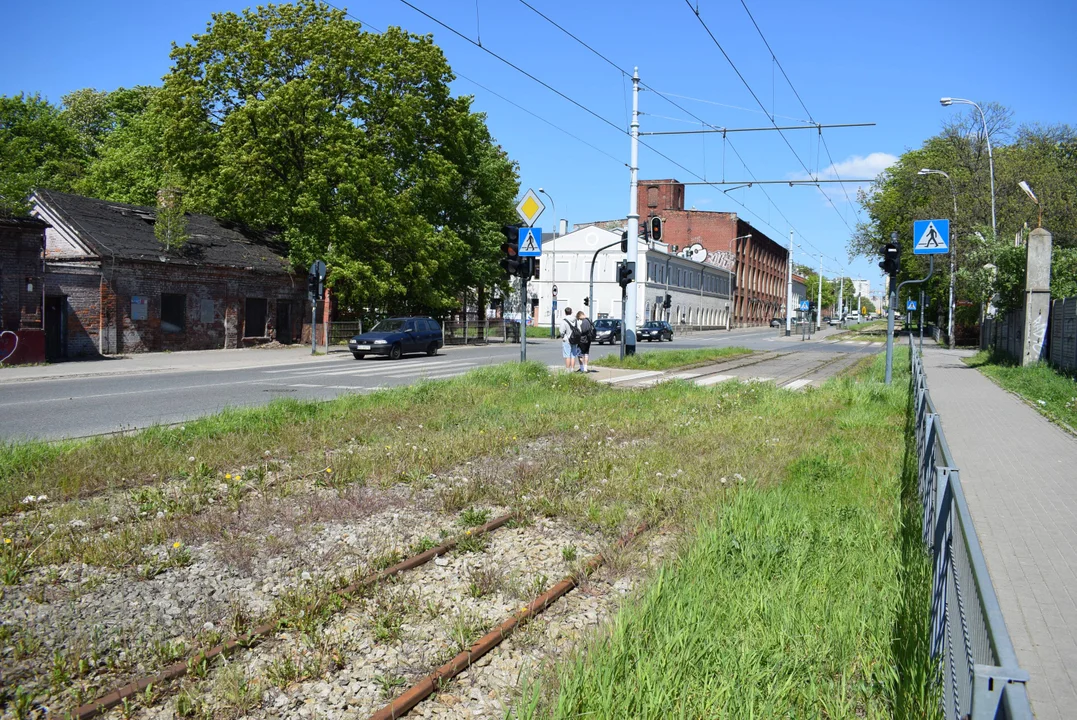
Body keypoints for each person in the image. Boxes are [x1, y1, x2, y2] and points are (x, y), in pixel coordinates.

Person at [560, 306, 578, 371]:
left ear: (565, 313)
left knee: (567, 355)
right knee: (573, 355)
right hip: (575, 339)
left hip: (567, 339)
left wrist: (563, 336)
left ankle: (568, 370)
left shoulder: (564, 321)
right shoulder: (576, 320)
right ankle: (572, 369)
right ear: (571, 312)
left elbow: (561, 331)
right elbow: (579, 329)